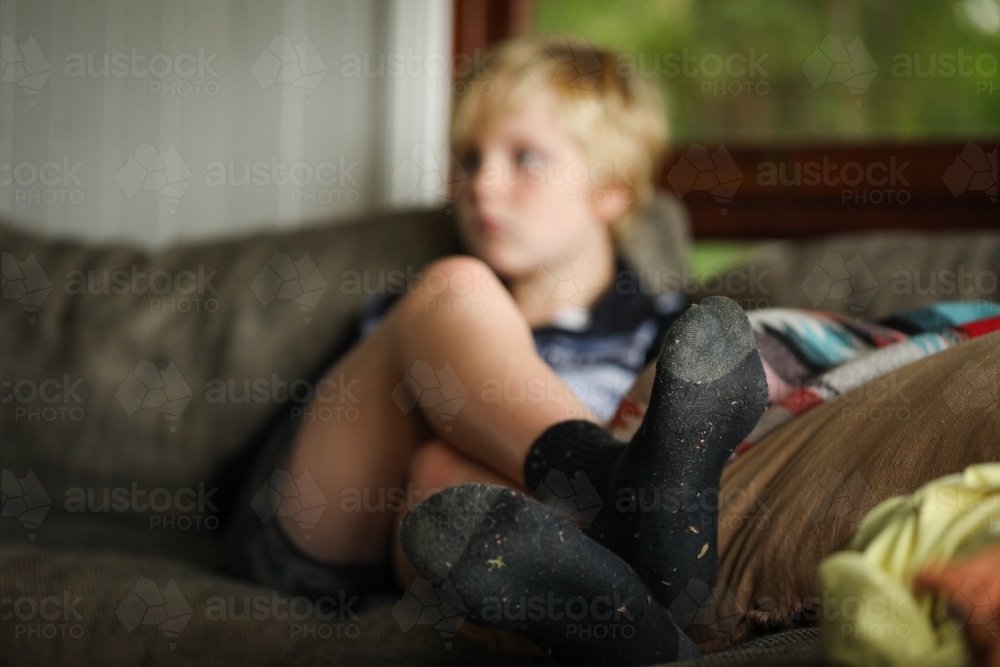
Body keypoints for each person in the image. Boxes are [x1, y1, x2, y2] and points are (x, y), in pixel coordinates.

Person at [226, 34, 770, 665]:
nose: (482, 184)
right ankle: (608, 480)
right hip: (326, 534)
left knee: (443, 477)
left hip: (461, 533)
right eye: (469, 158)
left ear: (612, 189)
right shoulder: (424, 309)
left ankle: (630, 630)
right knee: (454, 290)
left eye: (526, 159)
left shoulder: (672, 341)